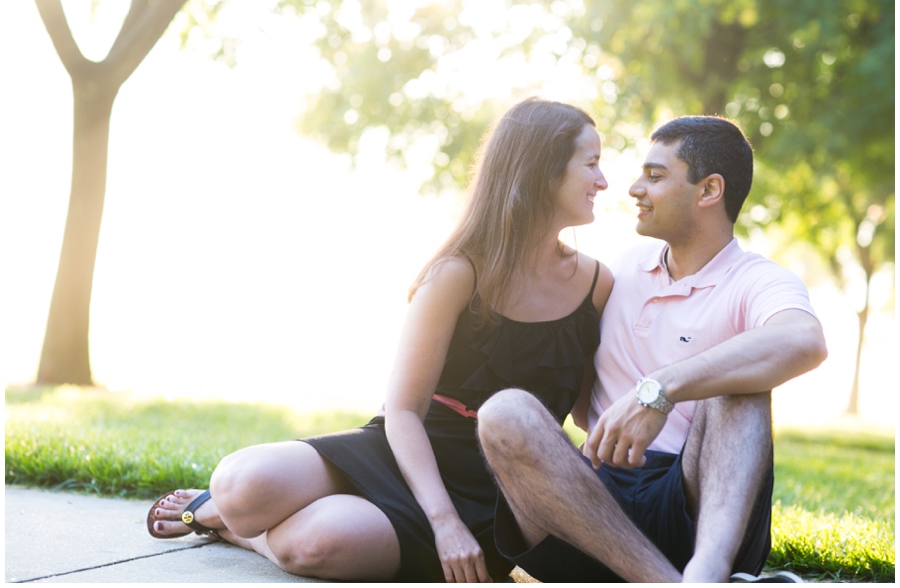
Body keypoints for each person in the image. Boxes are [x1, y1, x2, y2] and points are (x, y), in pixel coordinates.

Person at [146, 97, 614, 582]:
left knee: (318, 546)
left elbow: (589, 412)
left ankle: (237, 531)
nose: (603, 181)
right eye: (592, 164)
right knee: (242, 484)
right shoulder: (458, 273)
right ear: (542, 172)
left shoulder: (597, 286)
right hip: (406, 453)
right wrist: (442, 522)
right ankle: (225, 509)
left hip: (494, 495)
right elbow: (404, 410)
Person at [477, 115, 828, 583]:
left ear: (709, 191)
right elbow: (577, 398)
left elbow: (804, 340)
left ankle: (705, 574)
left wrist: (661, 388)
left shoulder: (759, 280)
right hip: (591, 508)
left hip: (697, 507)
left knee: (741, 384)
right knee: (504, 411)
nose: (634, 188)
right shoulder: (619, 271)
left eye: (655, 176)